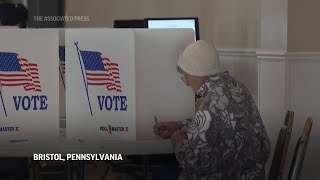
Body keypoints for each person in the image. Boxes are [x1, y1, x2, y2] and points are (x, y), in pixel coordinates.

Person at [153, 40, 271, 180]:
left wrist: (178, 144)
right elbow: (218, 125)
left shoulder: (211, 104)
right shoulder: (237, 86)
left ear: (196, 73)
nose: (186, 82)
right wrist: (179, 125)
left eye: (186, 75)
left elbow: (195, 164)